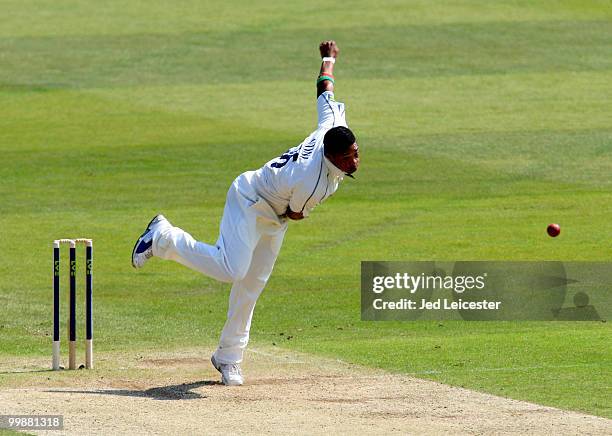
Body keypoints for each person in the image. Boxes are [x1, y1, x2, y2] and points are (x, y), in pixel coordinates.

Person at [131, 40, 359, 386]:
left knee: (251, 286)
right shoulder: (310, 181)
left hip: (276, 211)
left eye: (357, 153)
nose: (356, 160)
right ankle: (163, 238)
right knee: (232, 269)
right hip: (251, 200)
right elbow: (296, 214)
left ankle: (228, 357)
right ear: (332, 157)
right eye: (349, 158)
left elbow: (324, 88)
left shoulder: (332, 127)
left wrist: (328, 58)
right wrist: (289, 212)